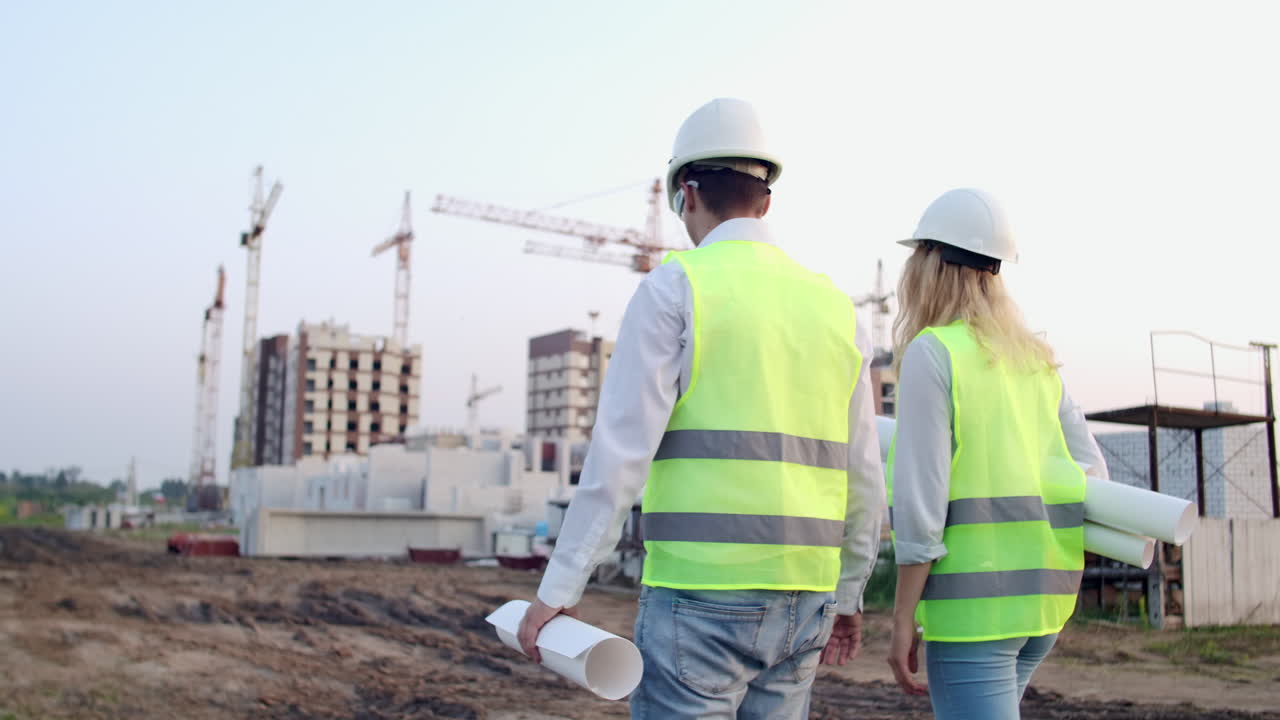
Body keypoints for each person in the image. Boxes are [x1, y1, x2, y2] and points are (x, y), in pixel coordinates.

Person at [516, 97, 885, 719]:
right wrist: (848, 594)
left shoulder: (675, 288)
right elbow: (866, 474)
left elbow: (620, 456)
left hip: (700, 598)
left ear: (686, 193)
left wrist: (560, 588)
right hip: (807, 599)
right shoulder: (837, 309)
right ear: (765, 200)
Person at [884, 188, 1110, 719]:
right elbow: (1092, 472)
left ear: (932, 263)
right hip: (1043, 608)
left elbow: (922, 508)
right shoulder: (1033, 359)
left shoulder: (933, 354)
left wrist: (901, 618)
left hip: (974, 615)